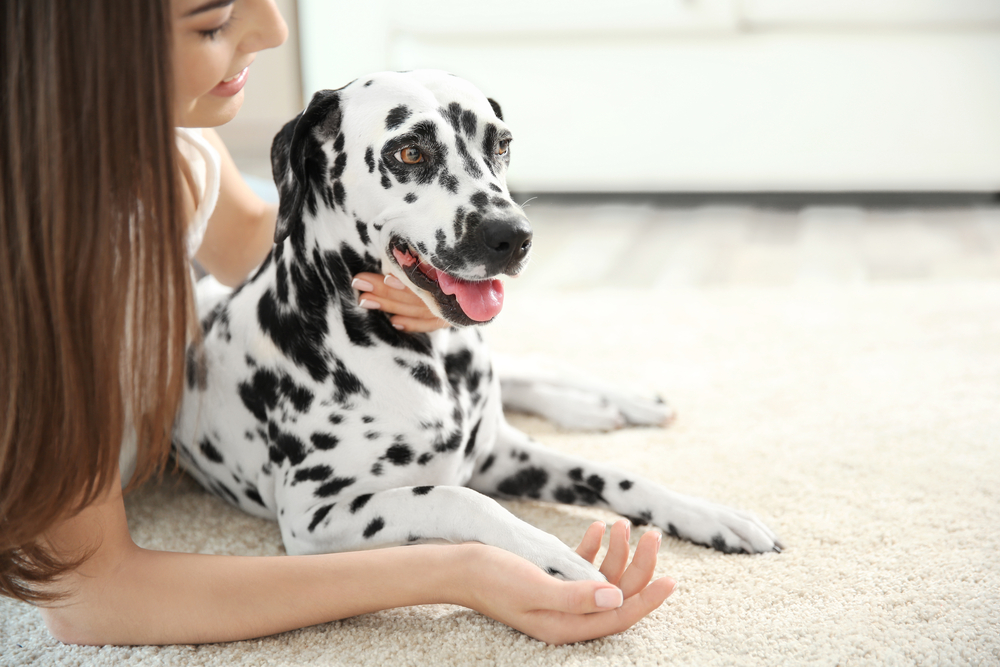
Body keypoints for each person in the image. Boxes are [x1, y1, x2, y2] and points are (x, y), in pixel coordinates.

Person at [0, 0, 676, 647]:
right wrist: (460, 567)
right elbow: (94, 595)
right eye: (213, 22)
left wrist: (422, 270)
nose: (274, 29)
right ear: (86, 51)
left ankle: (528, 382)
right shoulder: (45, 262)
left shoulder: (174, 145)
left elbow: (259, 242)